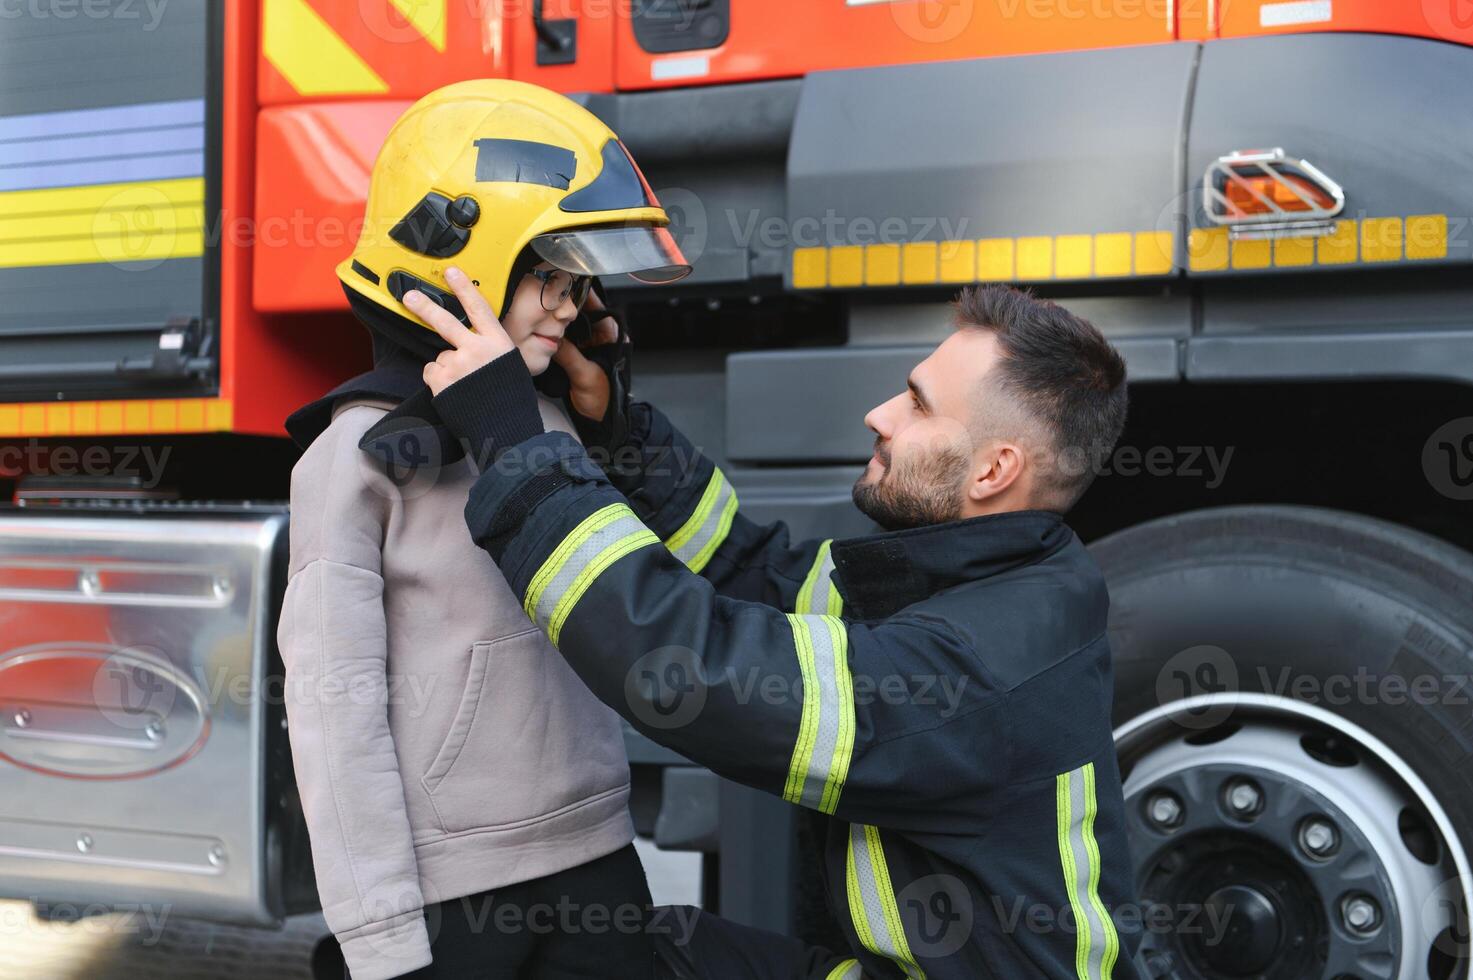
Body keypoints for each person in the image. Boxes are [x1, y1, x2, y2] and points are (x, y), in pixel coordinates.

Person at [403, 269, 1143, 978]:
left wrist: (515, 445)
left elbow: (693, 670)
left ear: (992, 471)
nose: (879, 415)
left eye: (917, 405)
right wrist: (615, 431)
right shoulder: (985, 579)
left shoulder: (975, 665)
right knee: (619, 950)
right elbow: (755, 578)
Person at [277, 79, 690, 980]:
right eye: (549, 273)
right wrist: (382, 942)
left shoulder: (545, 428)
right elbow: (332, 716)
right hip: (453, 892)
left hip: (598, 854)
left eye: (580, 281)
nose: (571, 306)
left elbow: (650, 590)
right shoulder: (352, 460)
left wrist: (616, 433)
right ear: (449, 256)